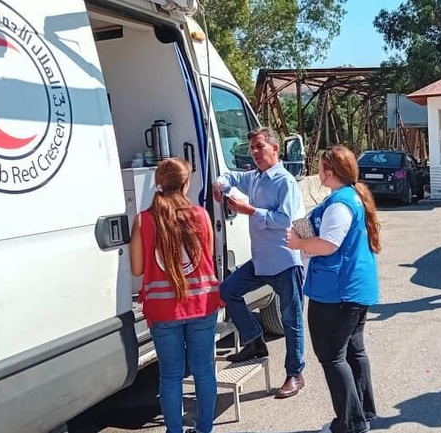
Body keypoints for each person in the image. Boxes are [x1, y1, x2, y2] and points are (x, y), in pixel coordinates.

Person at [287, 146, 380, 433]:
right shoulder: (350, 197)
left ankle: (351, 422)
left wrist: (300, 244)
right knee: (353, 350)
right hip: (352, 288)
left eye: (321, 166)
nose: (318, 170)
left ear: (330, 171)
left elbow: (329, 244)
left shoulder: (340, 203)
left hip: (337, 292)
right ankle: (363, 412)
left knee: (332, 356)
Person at [213, 127, 307, 399]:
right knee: (227, 290)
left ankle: (294, 373)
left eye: (260, 147)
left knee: (292, 320)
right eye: (252, 147)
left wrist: (251, 211)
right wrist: (221, 184)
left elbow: (284, 219)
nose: (254, 152)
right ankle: (255, 341)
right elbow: (229, 175)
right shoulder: (254, 177)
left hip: (284, 261)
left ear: (275, 149)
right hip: (261, 261)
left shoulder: (284, 182)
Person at [129, 158, 222, 433]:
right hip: (202, 304)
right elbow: (207, 260)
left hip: (162, 308)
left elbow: (136, 268)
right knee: (204, 371)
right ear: (185, 183)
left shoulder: (144, 219)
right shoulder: (202, 216)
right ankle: (205, 428)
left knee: (170, 375)